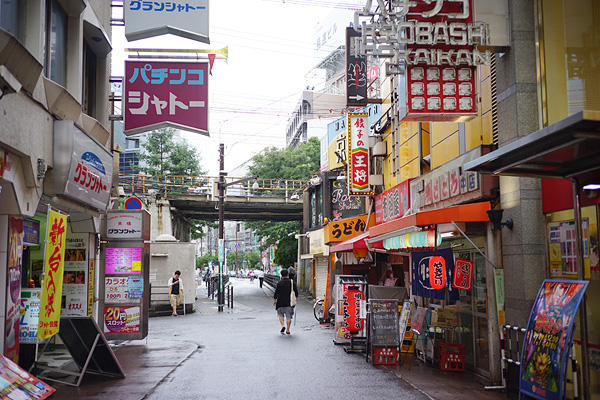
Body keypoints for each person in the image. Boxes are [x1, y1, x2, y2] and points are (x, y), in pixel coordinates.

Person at [273, 269, 298, 335]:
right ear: (287, 274)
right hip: (289, 302)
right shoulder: (291, 282)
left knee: (280, 315)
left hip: (280, 302)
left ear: (281, 275)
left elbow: (276, 293)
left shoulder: (279, 283)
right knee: (288, 316)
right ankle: (288, 329)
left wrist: (274, 300)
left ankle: (283, 325)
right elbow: (296, 291)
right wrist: (296, 298)